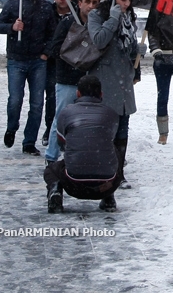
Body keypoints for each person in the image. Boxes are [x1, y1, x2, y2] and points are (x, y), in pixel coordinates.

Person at [0, 0, 57, 156]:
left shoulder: (46, 7)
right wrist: (11, 28)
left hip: (38, 61)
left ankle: (29, 141)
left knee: (37, 104)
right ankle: (11, 127)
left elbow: (53, 34)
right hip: (16, 59)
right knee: (15, 99)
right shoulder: (15, 4)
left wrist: (46, 52)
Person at [88, 0, 141, 189]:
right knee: (105, 128)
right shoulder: (97, 15)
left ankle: (119, 172)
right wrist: (112, 18)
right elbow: (99, 40)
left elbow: (129, 45)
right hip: (105, 78)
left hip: (124, 80)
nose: (126, 4)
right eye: (122, 0)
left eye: (129, 0)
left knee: (123, 129)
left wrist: (137, 54)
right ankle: (104, 170)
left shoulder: (129, 17)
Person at [43, 75, 122, 213]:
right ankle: (108, 197)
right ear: (101, 94)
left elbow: (62, 144)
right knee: (115, 155)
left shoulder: (66, 112)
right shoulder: (112, 114)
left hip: (73, 183)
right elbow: (110, 139)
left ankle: (55, 191)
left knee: (51, 170)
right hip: (106, 183)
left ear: (78, 93)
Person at [44, 0, 100, 164]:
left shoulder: (98, 24)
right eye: (88, 2)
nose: (91, 6)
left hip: (90, 81)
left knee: (89, 122)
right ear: (80, 3)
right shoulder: (68, 22)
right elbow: (55, 48)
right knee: (61, 118)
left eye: (94, 3)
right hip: (68, 79)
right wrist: (76, 52)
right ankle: (51, 157)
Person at [43, 0, 73, 146]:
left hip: (73, 65)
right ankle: (50, 131)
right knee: (53, 99)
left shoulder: (76, 15)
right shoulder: (48, 13)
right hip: (52, 63)